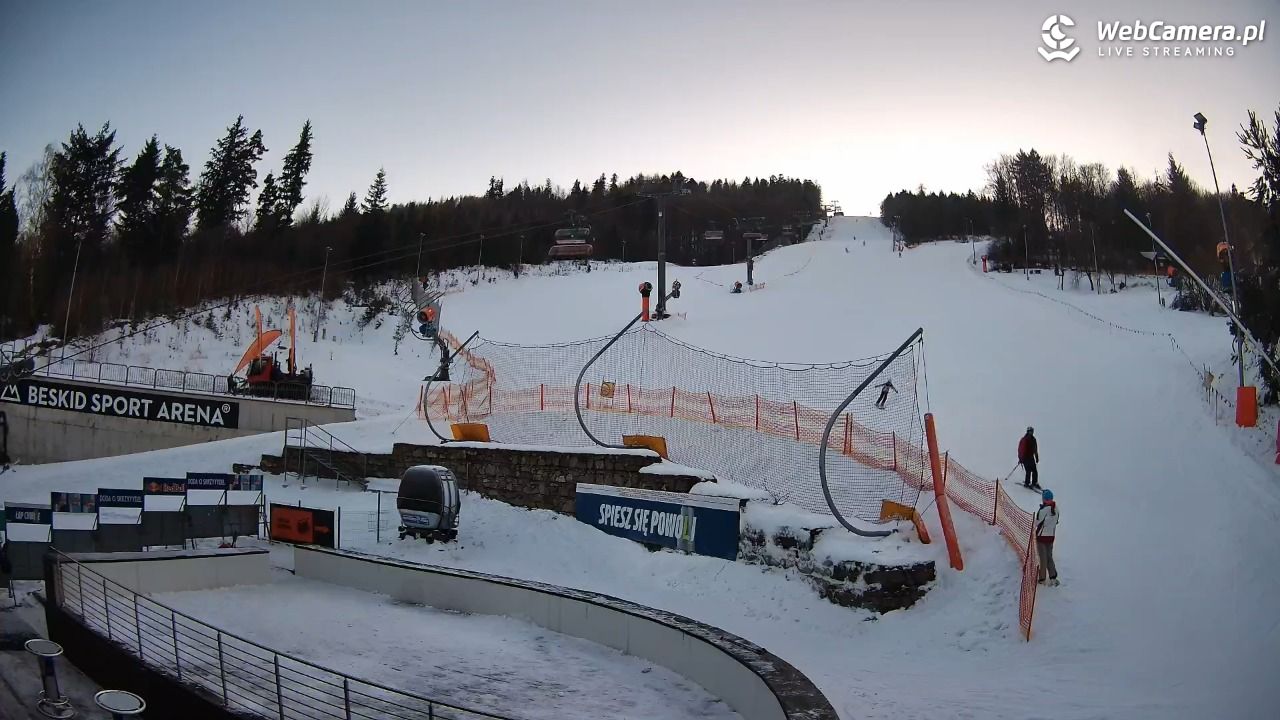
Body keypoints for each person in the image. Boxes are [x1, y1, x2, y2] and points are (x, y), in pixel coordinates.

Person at [1035, 489, 1059, 585]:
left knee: (1043, 558)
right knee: (1049, 556)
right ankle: (1053, 576)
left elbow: (1037, 523)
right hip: (1051, 536)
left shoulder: (1043, 510)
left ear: (1044, 499)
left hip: (1041, 537)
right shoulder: (1056, 509)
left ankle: (1042, 578)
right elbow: (1056, 521)